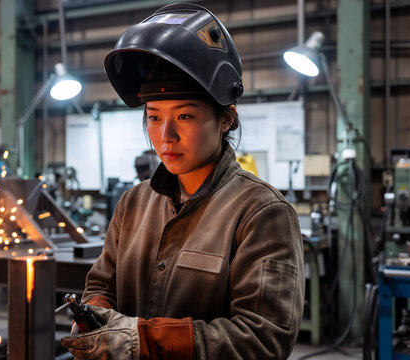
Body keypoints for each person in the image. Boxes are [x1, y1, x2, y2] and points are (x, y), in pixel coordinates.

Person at [61, 3, 304, 359]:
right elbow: (101, 284)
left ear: (226, 119)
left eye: (185, 115)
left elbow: (264, 338)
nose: (165, 136)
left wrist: (143, 341)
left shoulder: (262, 214)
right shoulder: (132, 205)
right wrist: (94, 315)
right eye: (154, 117)